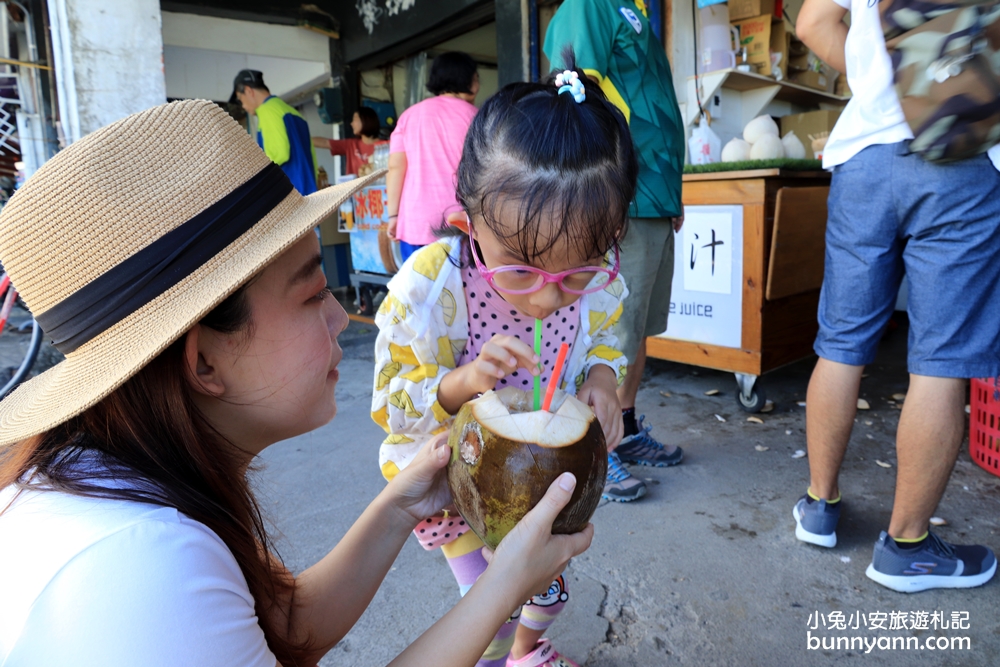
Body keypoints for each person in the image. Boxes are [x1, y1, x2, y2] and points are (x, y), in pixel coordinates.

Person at [0, 100, 592, 666]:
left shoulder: (114, 481)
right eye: (311, 294)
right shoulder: (139, 569)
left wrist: (398, 507)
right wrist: (503, 586)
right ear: (204, 362)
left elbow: (282, 628)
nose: (340, 317)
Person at [371, 65, 635, 667]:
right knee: (488, 607)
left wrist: (601, 382)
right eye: (519, 270)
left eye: (575, 273)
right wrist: (464, 383)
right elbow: (391, 399)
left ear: (611, 240)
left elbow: (601, 346)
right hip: (455, 486)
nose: (546, 298)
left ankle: (525, 652)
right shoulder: (431, 289)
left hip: (548, 480)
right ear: (467, 226)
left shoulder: (596, 288)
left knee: (548, 594)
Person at [793, 0, 1000, 591]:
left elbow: (812, 23)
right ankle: (907, 545)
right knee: (942, 358)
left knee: (840, 342)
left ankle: (819, 505)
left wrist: (874, 81)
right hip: (959, 147)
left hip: (864, 155)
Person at [544, 1, 686, 503]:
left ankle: (622, 429)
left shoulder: (638, 10)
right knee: (601, 332)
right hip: (624, 195)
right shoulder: (590, 5)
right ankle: (586, 455)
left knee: (636, 327)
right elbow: (579, 98)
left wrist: (673, 192)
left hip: (655, 195)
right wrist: (607, 192)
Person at [386, 52, 479, 263]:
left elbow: (396, 168)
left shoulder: (409, 116)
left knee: (417, 292)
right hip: (461, 225)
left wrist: (393, 216)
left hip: (415, 224)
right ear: (468, 79)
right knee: (461, 293)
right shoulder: (476, 116)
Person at [231, 69, 318, 195]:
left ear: (249, 91)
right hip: (307, 191)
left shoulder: (267, 111)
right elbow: (311, 155)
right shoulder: (289, 111)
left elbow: (279, 153)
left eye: (240, 99)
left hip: (290, 196)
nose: (243, 106)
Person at [312, 106, 384, 176]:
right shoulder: (350, 145)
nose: (351, 124)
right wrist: (302, 140)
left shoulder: (386, 146)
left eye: (355, 119)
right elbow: (325, 142)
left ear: (365, 120)